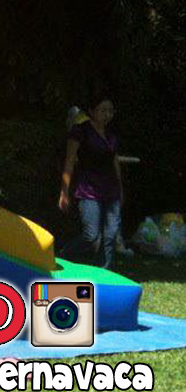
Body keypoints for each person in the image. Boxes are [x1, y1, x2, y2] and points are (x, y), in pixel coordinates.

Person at [59, 97, 123, 269]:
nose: (107, 115)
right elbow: (70, 161)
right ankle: (63, 257)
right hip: (89, 190)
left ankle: (104, 270)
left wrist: (121, 188)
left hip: (111, 190)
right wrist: (64, 192)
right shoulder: (80, 131)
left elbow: (114, 161)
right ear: (92, 111)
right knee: (91, 235)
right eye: (103, 110)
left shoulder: (111, 134)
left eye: (110, 111)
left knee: (110, 235)